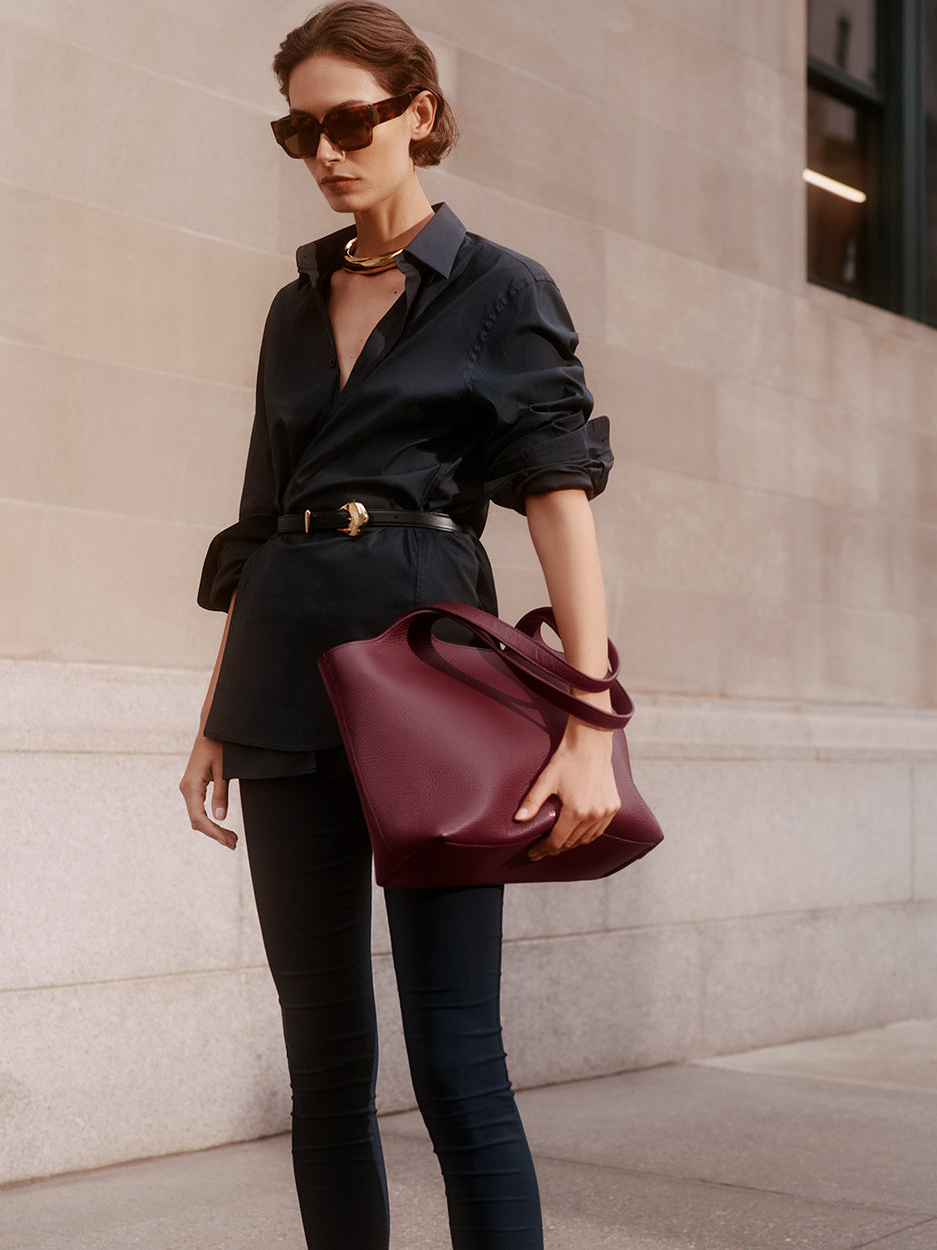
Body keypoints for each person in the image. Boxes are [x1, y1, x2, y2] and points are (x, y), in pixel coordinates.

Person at [179, 4, 620, 1246]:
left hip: (428, 677)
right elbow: (260, 521)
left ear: (418, 111)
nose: (326, 150)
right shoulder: (291, 304)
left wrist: (585, 722)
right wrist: (218, 713)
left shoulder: (500, 289)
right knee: (322, 1068)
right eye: (300, 130)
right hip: (281, 679)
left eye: (350, 120)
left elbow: (556, 505)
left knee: (455, 1059)